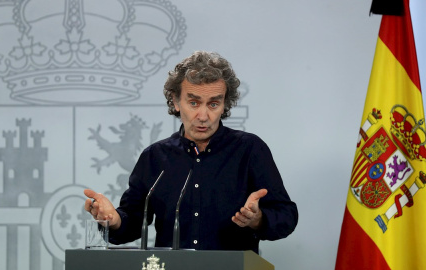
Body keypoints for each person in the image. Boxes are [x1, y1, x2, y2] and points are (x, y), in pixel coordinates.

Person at [84, 51, 298, 253]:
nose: (203, 115)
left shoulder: (249, 150)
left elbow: (286, 216)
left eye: (213, 104)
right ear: (176, 101)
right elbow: (132, 221)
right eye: (193, 102)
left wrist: (258, 219)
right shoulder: (155, 157)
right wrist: (113, 220)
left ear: (224, 104)